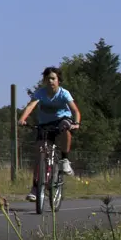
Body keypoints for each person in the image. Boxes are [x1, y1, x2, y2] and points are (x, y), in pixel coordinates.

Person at [16, 66, 80, 202]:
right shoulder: (40, 93)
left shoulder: (64, 93)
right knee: (40, 153)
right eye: (47, 78)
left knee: (66, 127)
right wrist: (22, 118)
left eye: (53, 78)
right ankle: (35, 187)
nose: (50, 81)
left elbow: (75, 110)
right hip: (45, 124)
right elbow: (30, 106)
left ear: (58, 80)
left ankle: (64, 160)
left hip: (62, 120)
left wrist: (77, 123)